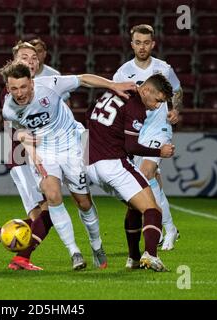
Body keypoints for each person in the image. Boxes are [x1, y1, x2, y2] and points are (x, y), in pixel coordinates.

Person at [0, 61, 136, 270]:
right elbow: (19, 130)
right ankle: (74, 252)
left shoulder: (50, 84)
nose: (19, 93)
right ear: (8, 88)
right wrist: (28, 144)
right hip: (45, 152)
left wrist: (112, 85)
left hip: (72, 146)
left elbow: (82, 79)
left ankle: (96, 244)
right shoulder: (9, 108)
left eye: (23, 87)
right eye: (14, 88)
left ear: (32, 84)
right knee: (52, 195)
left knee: (83, 202)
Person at [0, 41, 52, 271]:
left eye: (34, 58)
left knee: (45, 212)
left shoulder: (40, 86)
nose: (31, 61)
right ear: (15, 62)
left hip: (35, 155)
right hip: (20, 156)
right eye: (24, 57)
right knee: (45, 211)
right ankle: (18, 257)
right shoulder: (13, 90)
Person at [86, 74, 175, 272]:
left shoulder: (115, 90)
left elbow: (89, 111)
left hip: (91, 164)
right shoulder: (136, 105)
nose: (157, 106)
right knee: (153, 210)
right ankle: (151, 255)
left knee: (135, 207)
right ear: (146, 91)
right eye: (158, 100)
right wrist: (159, 152)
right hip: (113, 163)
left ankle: (134, 259)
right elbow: (132, 146)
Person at [113, 24, 182, 250]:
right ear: (132, 44)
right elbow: (117, 99)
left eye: (146, 42)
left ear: (153, 44)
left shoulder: (163, 68)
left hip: (159, 127)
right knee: (149, 182)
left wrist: (175, 109)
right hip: (136, 129)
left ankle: (167, 228)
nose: (142, 47)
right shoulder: (123, 72)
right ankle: (166, 226)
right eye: (138, 42)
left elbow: (178, 90)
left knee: (146, 172)